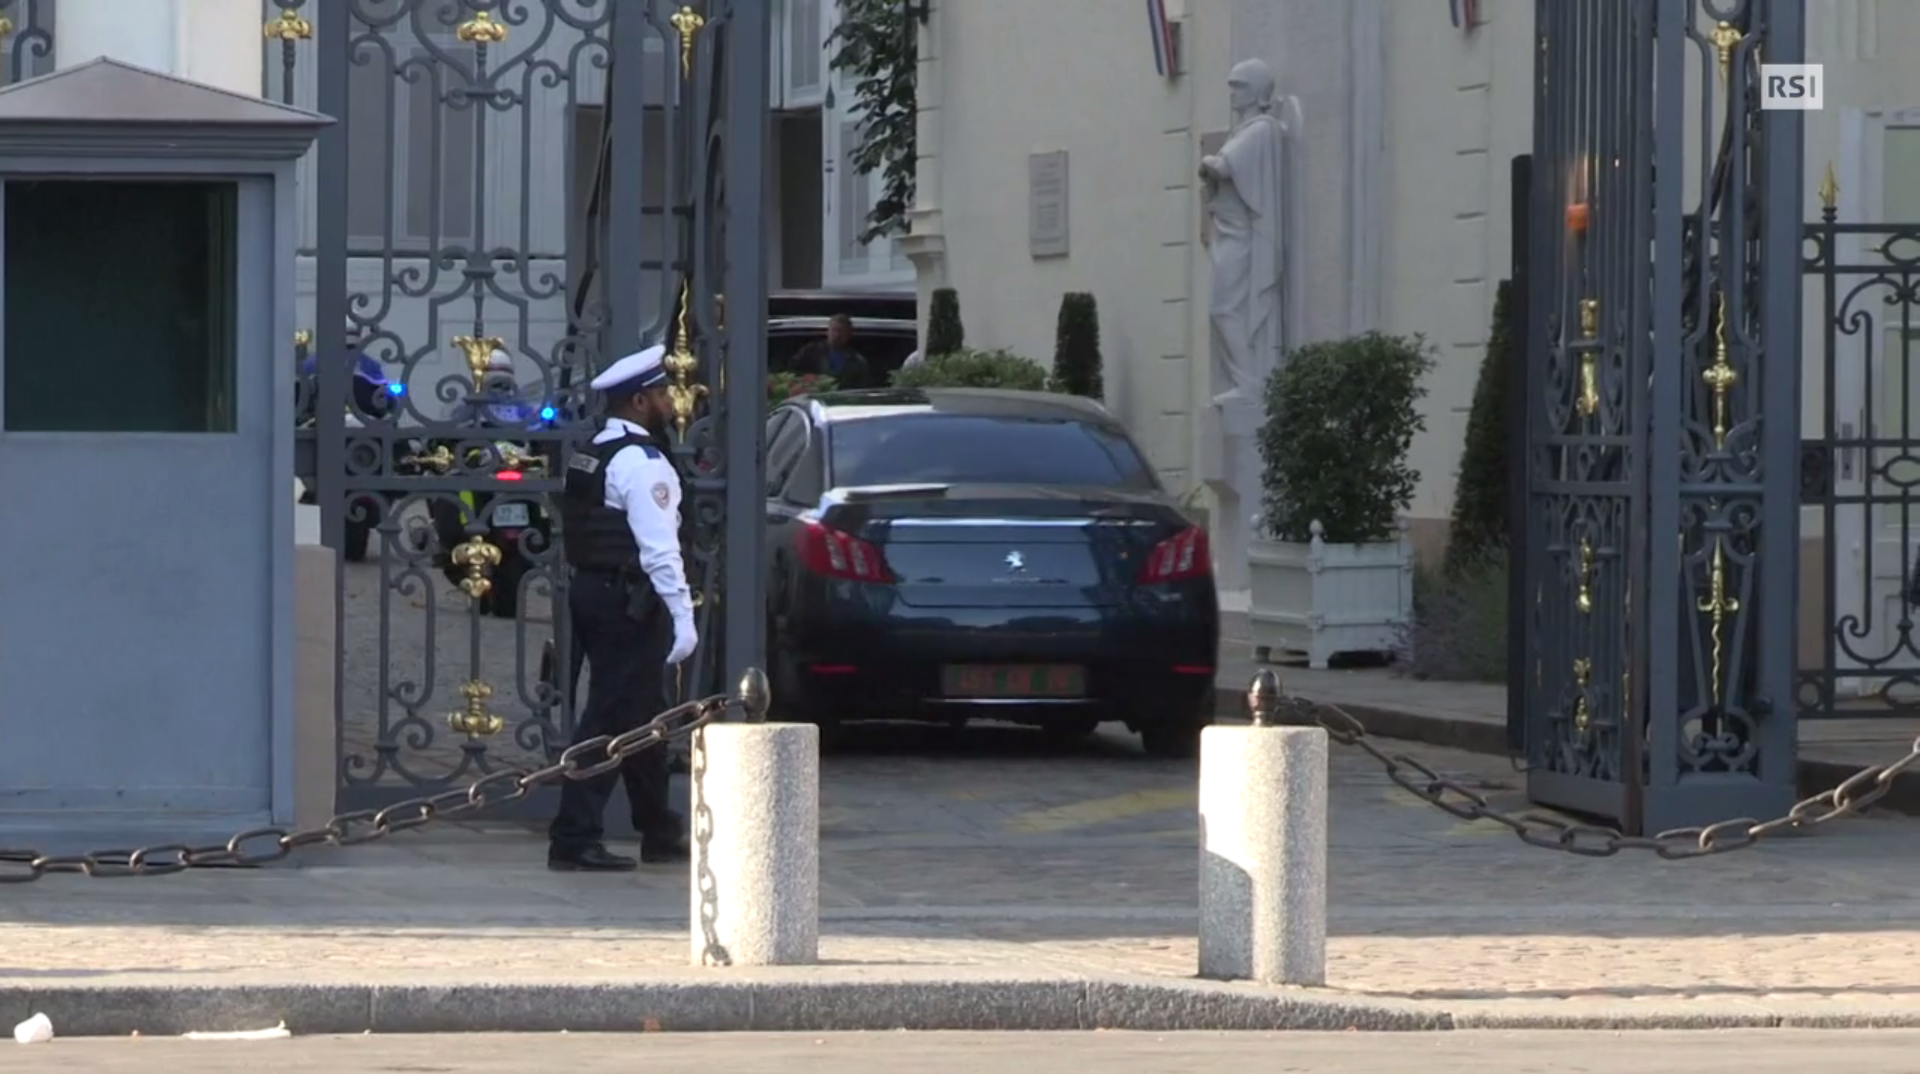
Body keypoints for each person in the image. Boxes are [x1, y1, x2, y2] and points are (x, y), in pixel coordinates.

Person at [547, 343, 698, 871]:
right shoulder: (643, 463)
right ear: (639, 400)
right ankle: (573, 836)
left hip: (595, 590)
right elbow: (660, 549)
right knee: (611, 715)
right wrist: (683, 615)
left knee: (643, 712)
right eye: (660, 394)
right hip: (628, 600)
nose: (668, 402)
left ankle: (658, 826)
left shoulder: (593, 452)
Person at [792, 313, 872, 388]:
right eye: (834, 330)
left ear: (849, 334)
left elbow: (862, 389)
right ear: (828, 331)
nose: (837, 335)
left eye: (841, 331)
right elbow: (793, 373)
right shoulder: (810, 351)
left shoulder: (857, 361)